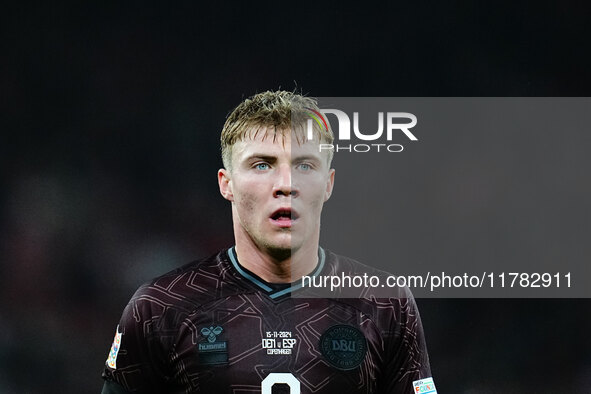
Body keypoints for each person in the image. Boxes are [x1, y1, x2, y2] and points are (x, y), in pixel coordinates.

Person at [101, 91, 435, 394]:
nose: (286, 185)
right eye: (262, 165)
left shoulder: (385, 304)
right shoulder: (159, 307)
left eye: (305, 165)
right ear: (226, 183)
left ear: (329, 183)